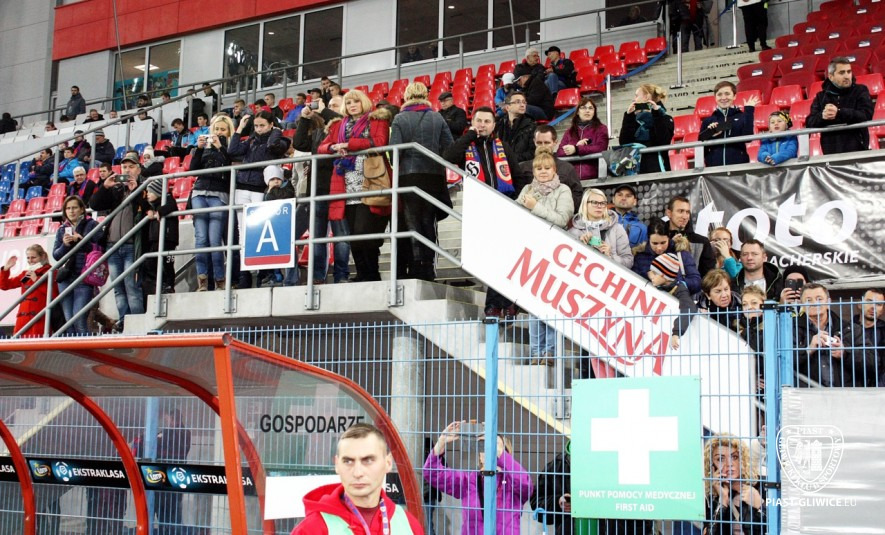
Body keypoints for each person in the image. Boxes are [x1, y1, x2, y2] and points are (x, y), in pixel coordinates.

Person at [293, 423, 424, 535]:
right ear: (337, 465)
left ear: (388, 463)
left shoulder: (408, 524)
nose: (357, 472)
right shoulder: (312, 529)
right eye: (348, 461)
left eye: (368, 460)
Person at [319, 89, 392, 283]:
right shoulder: (338, 125)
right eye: (349, 102)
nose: (352, 106)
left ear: (363, 103)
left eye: (356, 102)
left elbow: (379, 141)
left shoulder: (377, 120)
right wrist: (333, 147)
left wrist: (348, 145)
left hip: (371, 181)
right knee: (353, 235)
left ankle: (372, 273)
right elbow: (322, 147)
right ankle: (362, 274)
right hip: (346, 184)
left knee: (363, 232)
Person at [389, 82, 454, 282]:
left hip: (409, 175)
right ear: (425, 96)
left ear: (406, 96)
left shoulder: (399, 118)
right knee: (428, 221)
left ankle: (417, 264)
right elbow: (449, 146)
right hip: (434, 175)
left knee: (412, 221)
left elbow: (394, 152)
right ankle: (428, 267)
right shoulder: (437, 117)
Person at [424, 421, 532, 535]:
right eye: (484, 446)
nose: (488, 450)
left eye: (493, 445)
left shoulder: (512, 482)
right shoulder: (469, 480)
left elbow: (525, 484)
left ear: (506, 452)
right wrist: (441, 442)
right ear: (480, 457)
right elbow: (431, 472)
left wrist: (500, 453)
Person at [517, 149, 575, 362]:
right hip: (532, 253)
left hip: (555, 253)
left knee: (552, 305)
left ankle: (550, 351)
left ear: (554, 170)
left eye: (547, 168)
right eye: (538, 168)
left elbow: (561, 219)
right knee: (534, 306)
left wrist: (535, 207)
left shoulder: (563, 190)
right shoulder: (526, 189)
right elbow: (517, 216)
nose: (543, 171)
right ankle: (535, 352)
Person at [292, 102, 351, 285]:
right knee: (317, 238)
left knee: (341, 236)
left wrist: (324, 110)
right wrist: (304, 118)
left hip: (338, 189)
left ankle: (341, 275)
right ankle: (318, 276)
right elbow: (298, 143)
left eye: (335, 105)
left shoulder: (345, 128)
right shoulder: (318, 133)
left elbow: (341, 121)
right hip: (316, 191)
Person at [228, 110, 289, 288]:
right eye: (256, 126)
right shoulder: (251, 140)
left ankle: (264, 272)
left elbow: (272, 147)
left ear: (271, 125)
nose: (258, 129)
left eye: (262, 125)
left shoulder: (279, 140)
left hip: (259, 188)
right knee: (242, 231)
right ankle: (244, 275)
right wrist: (240, 128)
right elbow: (232, 151)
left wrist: (275, 131)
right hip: (242, 187)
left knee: (262, 229)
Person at [90, 154, 146, 331]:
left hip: (131, 245)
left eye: (131, 167)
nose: (127, 170)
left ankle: (137, 324)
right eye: (124, 167)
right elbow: (94, 204)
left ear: (139, 169)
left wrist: (136, 191)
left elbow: (147, 208)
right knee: (118, 287)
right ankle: (124, 322)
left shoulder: (145, 186)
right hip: (112, 245)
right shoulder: (116, 190)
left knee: (131, 286)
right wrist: (105, 187)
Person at [794, 282, 875, 387]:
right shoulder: (791, 329)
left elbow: (873, 364)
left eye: (819, 299)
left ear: (828, 302)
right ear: (801, 304)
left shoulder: (851, 329)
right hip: (807, 394)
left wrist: (845, 353)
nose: (814, 303)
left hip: (845, 394)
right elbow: (782, 363)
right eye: (808, 300)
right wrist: (808, 350)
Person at [188, 115, 233, 291]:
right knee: (201, 238)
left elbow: (230, 169)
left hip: (219, 194)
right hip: (199, 192)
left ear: (228, 131)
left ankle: (220, 280)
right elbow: (193, 170)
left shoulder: (230, 147)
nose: (219, 132)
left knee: (215, 240)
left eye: (222, 129)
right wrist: (199, 149)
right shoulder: (204, 147)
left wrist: (221, 147)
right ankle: (203, 280)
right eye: (216, 129)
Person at [53, 195, 103, 336]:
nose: (71, 211)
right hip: (66, 277)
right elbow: (56, 255)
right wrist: (65, 245)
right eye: (68, 208)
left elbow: (100, 249)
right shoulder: (62, 229)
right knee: (69, 320)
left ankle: (86, 347)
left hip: (84, 277)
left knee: (79, 319)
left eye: (74, 207)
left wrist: (81, 241)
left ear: (82, 209)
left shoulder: (92, 225)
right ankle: (74, 348)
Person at [806, 57, 874, 155]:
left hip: (858, 150)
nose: (847, 76)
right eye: (842, 73)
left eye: (849, 72)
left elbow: (867, 114)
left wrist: (839, 113)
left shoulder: (860, 90)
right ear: (831, 76)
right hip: (831, 153)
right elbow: (810, 122)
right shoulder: (821, 96)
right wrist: (823, 116)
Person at [703, 435, 765, 535]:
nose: (729, 464)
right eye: (720, 459)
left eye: (734, 457)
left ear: (742, 460)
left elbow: (782, 525)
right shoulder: (712, 498)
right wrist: (722, 502)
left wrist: (760, 505)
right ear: (712, 465)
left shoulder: (762, 485)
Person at [517, 126, 582, 212]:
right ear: (534, 142)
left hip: (558, 215)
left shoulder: (567, 168)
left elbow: (577, 195)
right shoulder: (523, 167)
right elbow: (517, 195)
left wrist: (562, 207)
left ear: (555, 142)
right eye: (539, 143)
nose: (543, 146)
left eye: (547, 142)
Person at [0, 245, 59, 337]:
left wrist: (36, 280)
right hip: (23, 318)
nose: (30, 260)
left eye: (33, 257)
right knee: (19, 344)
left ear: (42, 256)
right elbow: (4, 286)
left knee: (37, 343)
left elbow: (53, 294)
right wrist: (6, 269)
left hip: (39, 317)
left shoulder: (51, 272)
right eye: (28, 258)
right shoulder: (26, 273)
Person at [632, 218, 702, 294]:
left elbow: (697, 283)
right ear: (649, 240)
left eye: (663, 243)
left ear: (668, 238)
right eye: (655, 243)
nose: (659, 247)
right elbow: (633, 284)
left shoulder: (681, 253)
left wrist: (669, 283)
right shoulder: (640, 258)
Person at [568, 188, 633, 268]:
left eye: (602, 203)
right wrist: (580, 245)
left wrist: (610, 256)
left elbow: (629, 262)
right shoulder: (573, 232)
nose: (599, 206)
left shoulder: (617, 229)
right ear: (585, 204)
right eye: (594, 202)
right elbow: (567, 263)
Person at [699, 81, 759, 167]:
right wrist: (711, 133)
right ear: (715, 97)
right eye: (719, 94)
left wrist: (749, 111)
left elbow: (748, 137)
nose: (723, 98)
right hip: (714, 168)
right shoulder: (708, 121)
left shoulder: (742, 116)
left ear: (734, 96)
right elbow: (700, 145)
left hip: (738, 167)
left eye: (727, 94)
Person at [618, 84, 674, 174]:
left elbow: (663, 141)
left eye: (636, 96)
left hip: (657, 169)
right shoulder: (633, 119)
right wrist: (629, 116)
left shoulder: (665, 118)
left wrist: (656, 114)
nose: (634, 99)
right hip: (634, 170)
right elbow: (624, 143)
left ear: (646, 97)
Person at [648, 252, 698, 350]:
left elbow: (689, 308)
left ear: (664, 276)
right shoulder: (660, 283)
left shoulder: (680, 290)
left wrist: (676, 333)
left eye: (655, 273)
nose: (651, 277)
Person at [139, 179, 179, 297]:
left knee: (168, 263)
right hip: (155, 239)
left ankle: (169, 285)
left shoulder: (168, 199)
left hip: (168, 239)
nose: (148, 195)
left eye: (150, 192)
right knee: (151, 263)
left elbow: (171, 206)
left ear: (158, 192)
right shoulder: (152, 206)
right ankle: (159, 284)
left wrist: (159, 212)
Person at [155, 408, 191, 535]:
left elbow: (158, 445)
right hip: (172, 476)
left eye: (170, 418)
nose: (169, 421)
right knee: (167, 510)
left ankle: (169, 531)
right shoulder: (182, 433)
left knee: (171, 511)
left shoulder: (179, 434)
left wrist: (160, 435)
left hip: (171, 475)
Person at [556, 97, 608, 180]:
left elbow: (601, 148)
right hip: (572, 179)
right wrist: (575, 146)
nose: (587, 111)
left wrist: (577, 149)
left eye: (590, 108)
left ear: (594, 112)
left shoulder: (601, 128)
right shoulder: (569, 132)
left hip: (594, 177)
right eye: (583, 108)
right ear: (577, 112)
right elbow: (560, 152)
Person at [664, 195, 717, 277]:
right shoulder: (658, 239)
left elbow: (709, 277)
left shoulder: (702, 242)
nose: (685, 216)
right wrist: (670, 245)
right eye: (680, 211)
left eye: (687, 212)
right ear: (669, 213)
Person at [495, 91, 537, 165]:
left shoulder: (531, 126)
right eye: (518, 102)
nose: (522, 105)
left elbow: (532, 152)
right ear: (507, 107)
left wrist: (511, 159)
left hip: (522, 166)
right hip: (501, 165)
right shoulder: (499, 125)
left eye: (524, 102)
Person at [856, 288, 884, 385]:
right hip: (851, 387)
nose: (873, 307)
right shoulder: (846, 329)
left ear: (882, 309)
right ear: (859, 304)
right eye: (869, 302)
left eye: (878, 304)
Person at [611, 184, 647, 249]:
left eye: (628, 196)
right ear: (613, 199)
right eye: (620, 195)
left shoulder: (643, 229)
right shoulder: (602, 221)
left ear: (635, 201)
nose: (623, 198)